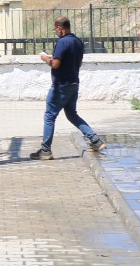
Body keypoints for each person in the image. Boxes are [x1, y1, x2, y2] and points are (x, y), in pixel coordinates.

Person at [31, 16, 106, 159]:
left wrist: (44, 58)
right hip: (74, 84)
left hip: (60, 85)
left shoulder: (62, 42)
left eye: (56, 29)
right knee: (72, 115)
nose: (56, 32)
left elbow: (55, 64)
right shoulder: (78, 42)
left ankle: (45, 150)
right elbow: (77, 63)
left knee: (49, 116)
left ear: (60, 28)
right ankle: (95, 140)